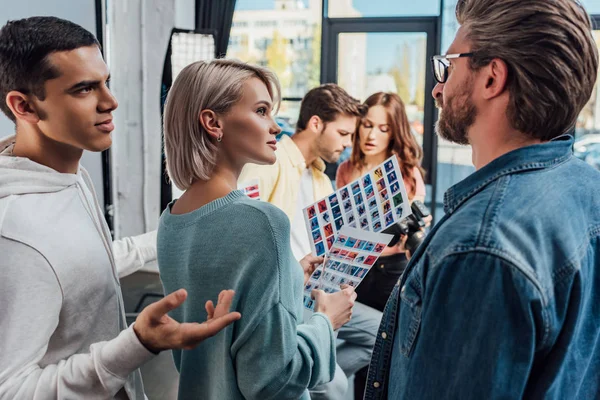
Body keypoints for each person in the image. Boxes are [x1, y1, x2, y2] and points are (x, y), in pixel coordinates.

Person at [365, 0, 600, 398]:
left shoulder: (479, 247)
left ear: (492, 78)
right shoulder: (588, 187)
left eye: (448, 67)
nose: (438, 88)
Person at [0, 17, 240, 399]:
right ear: (24, 106)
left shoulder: (67, 176)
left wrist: (175, 228)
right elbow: (10, 390)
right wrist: (137, 343)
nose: (110, 101)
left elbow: (80, 264)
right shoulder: (16, 235)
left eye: (105, 82)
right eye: (84, 89)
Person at [157, 59, 357, 400]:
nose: (276, 127)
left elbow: (226, 330)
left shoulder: (171, 219)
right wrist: (326, 322)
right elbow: (274, 379)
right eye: (261, 111)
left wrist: (289, 279)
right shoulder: (262, 221)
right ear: (212, 122)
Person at [239, 84, 382, 399]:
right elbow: (241, 237)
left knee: (381, 333)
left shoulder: (322, 180)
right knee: (336, 386)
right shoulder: (269, 164)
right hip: (285, 295)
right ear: (316, 123)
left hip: (320, 288)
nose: (348, 144)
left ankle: (308, 377)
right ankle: (319, 379)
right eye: (344, 134)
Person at [336, 91, 427, 311]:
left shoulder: (408, 174)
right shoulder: (345, 171)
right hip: (354, 269)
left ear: (394, 132)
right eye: (367, 125)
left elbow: (415, 230)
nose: (372, 136)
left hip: (393, 271)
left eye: (383, 129)